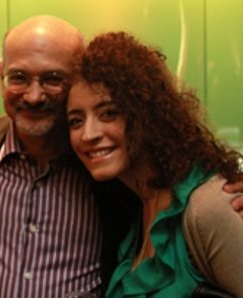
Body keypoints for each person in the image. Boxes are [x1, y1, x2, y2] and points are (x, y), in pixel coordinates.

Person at [0, 16, 243, 298]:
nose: (34, 95)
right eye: (19, 77)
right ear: (1, 74)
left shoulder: (131, 184)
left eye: (53, 78)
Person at [66, 31, 243, 296]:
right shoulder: (136, 211)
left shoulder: (207, 208)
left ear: (146, 115)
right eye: (76, 121)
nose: (88, 134)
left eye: (109, 113)